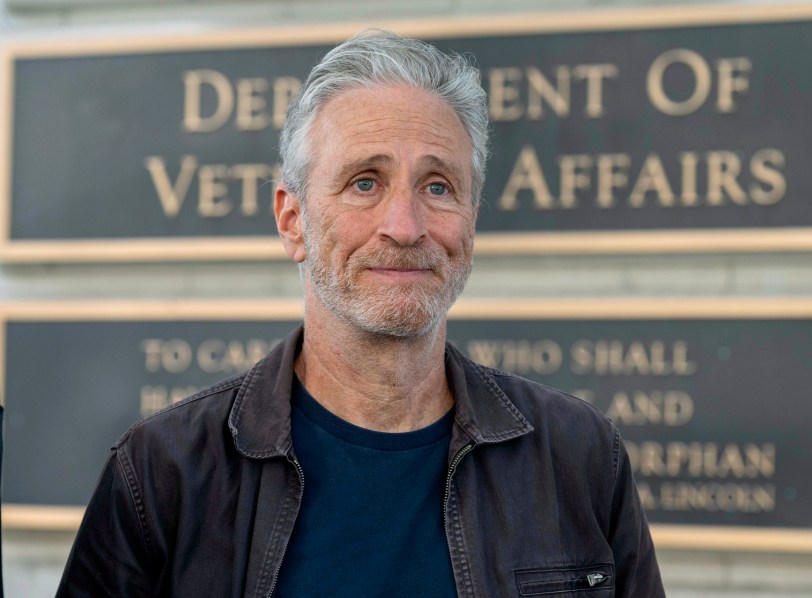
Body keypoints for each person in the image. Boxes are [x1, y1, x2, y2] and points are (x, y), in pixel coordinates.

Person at [57, 30, 664, 597]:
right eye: (365, 183)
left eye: (437, 186)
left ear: (471, 220)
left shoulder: (580, 456)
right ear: (292, 220)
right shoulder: (164, 474)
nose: (405, 228)